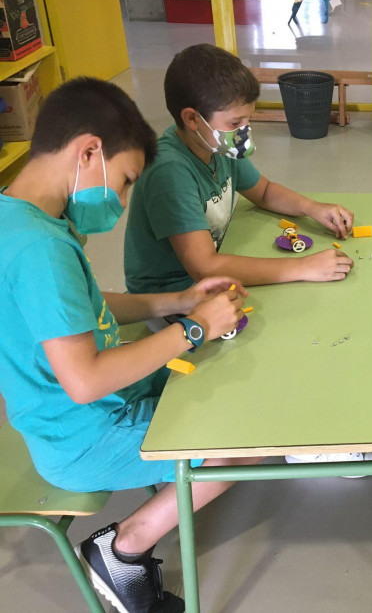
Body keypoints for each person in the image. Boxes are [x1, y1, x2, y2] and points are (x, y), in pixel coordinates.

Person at [0, 77, 264, 612]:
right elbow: (86, 379)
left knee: (221, 375)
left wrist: (176, 302)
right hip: (81, 435)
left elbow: (88, 311)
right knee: (244, 444)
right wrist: (193, 329)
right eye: (124, 182)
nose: (121, 202)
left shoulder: (25, 220)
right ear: (88, 152)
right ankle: (123, 549)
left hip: (67, 414)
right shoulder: (40, 251)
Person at [124, 43, 354, 300]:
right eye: (235, 123)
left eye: (248, 120)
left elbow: (264, 192)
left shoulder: (215, 144)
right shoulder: (169, 172)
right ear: (192, 119)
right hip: (170, 295)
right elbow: (204, 268)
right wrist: (303, 267)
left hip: (210, 272)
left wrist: (313, 208)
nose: (244, 130)